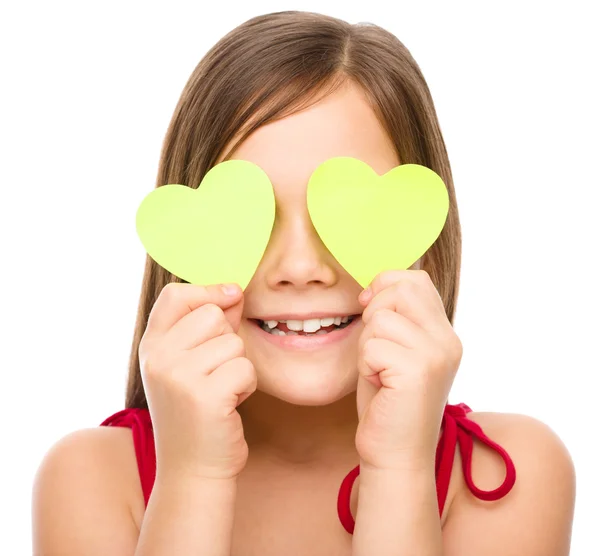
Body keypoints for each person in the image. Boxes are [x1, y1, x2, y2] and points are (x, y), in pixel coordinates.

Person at [32, 10, 576, 556]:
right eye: (257, 218)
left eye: (338, 217)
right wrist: (193, 478)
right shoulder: (91, 478)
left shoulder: (511, 473)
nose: (300, 267)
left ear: (426, 237)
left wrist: (399, 470)